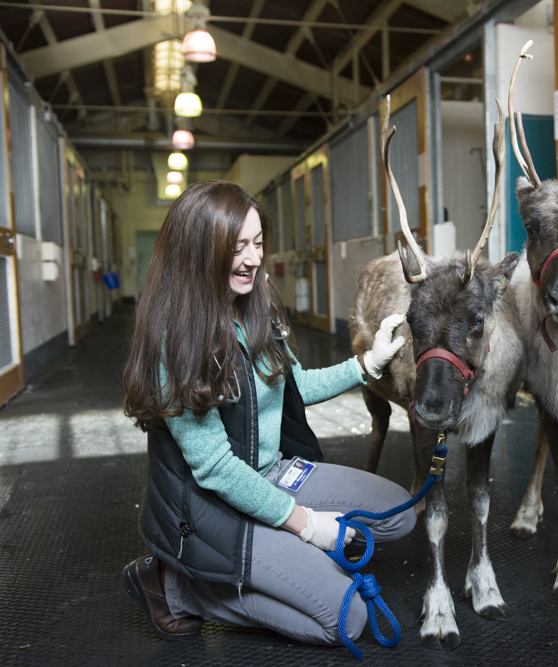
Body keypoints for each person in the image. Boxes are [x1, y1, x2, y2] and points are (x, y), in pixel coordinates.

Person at [120, 180, 415, 646]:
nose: (255, 258)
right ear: (202, 250)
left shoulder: (253, 306)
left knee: (400, 515)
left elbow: (292, 387)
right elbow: (216, 469)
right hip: (213, 508)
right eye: (239, 246)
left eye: (258, 243)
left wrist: (367, 365)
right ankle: (180, 588)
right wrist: (308, 525)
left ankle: (278, 546)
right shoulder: (175, 341)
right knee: (347, 619)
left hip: (272, 474)